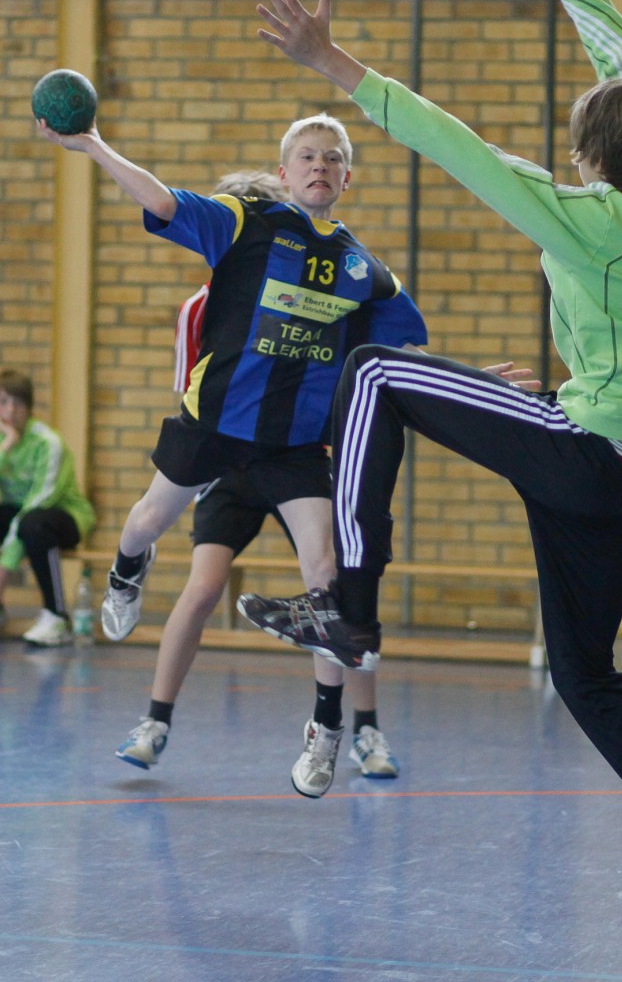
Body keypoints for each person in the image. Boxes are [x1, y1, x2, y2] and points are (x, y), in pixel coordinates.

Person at [236, 0, 622, 962]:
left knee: (373, 374)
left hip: (584, 452)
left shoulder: (588, 221)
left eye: (575, 154)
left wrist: (331, 60)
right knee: (586, 679)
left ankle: (347, 609)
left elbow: (457, 146)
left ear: (591, 167)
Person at [113, 166, 406, 795]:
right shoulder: (203, 306)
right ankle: (154, 720)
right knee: (202, 585)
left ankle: (361, 728)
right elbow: (194, 390)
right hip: (226, 454)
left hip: (294, 451)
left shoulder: (334, 287)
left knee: (334, 585)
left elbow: (377, 349)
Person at [0, 369, 95, 646]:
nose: (10, 410)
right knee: (23, 522)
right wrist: (6, 448)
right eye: (4, 402)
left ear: (29, 409)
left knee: (33, 525)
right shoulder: (3, 440)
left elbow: (41, 500)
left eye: (18, 403)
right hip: (22, 514)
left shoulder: (48, 442)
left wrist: (5, 566)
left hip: (65, 516)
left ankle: (56, 616)